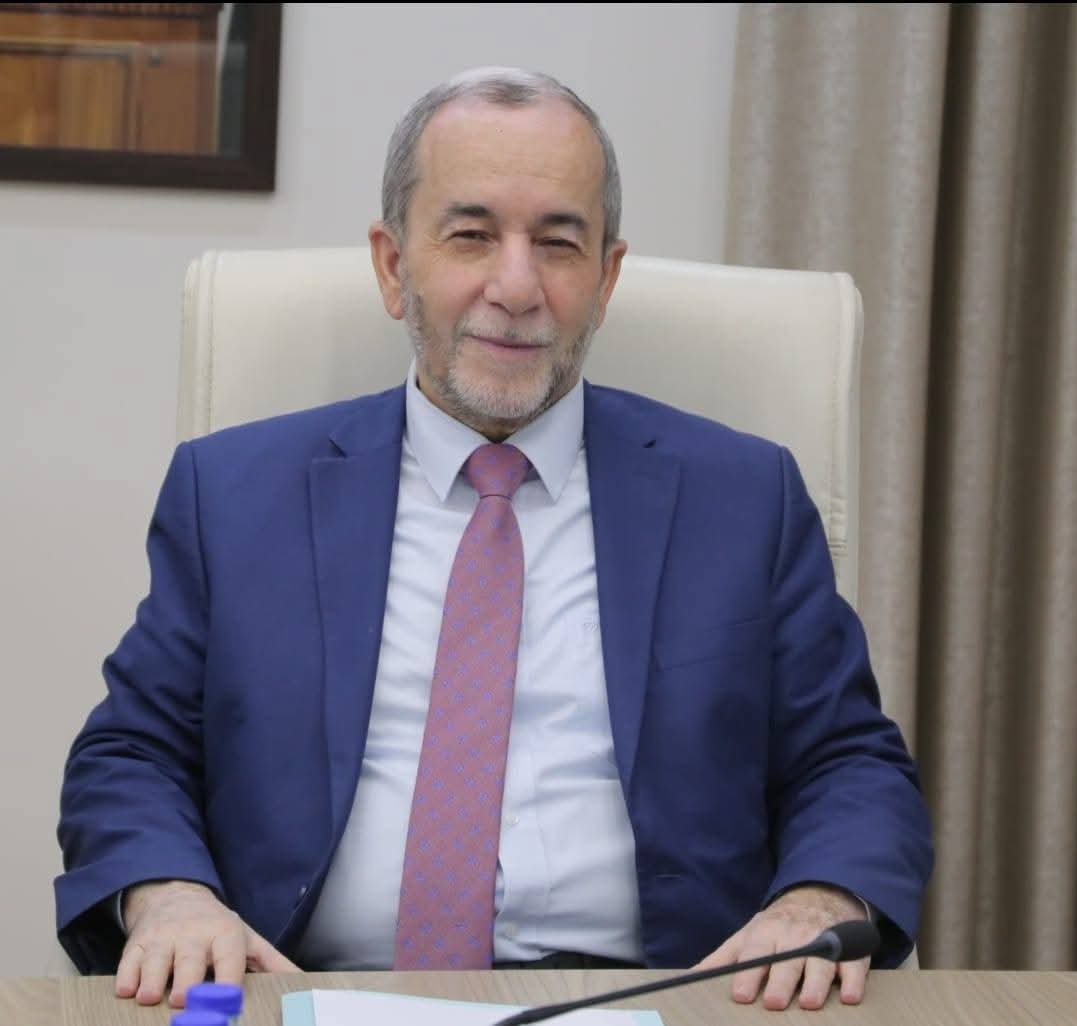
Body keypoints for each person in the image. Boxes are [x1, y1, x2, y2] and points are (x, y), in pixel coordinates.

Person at [55, 67, 933, 1013]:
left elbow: (847, 761)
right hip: (309, 992)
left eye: (558, 244)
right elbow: (131, 752)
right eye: (471, 235)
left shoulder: (742, 497)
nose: (516, 288)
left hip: (660, 998)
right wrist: (172, 895)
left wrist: (817, 898)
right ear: (393, 265)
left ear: (605, 278)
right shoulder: (234, 493)